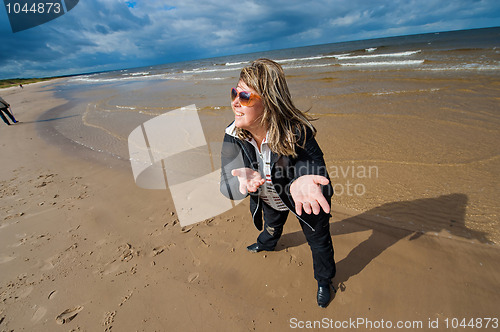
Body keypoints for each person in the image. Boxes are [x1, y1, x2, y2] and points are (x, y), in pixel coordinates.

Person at [220, 58, 336, 307]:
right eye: (233, 93)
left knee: (319, 241)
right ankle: (267, 244)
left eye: (245, 96)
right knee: (271, 227)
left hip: (302, 199)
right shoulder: (233, 135)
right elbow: (225, 183)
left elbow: (317, 170)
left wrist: (302, 179)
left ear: (269, 103)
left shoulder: (297, 132)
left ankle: (325, 280)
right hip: (268, 197)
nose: (235, 102)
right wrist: (240, 185)